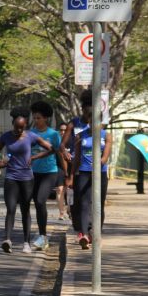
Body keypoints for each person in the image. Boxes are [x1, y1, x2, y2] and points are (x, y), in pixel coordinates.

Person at [0, 107, 53, 254]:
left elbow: (50, 149)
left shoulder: (31, 136)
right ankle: (7, 240)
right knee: (11, 209)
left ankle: (26, 243)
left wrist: (34, 157)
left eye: (22, 127)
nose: (19, 130)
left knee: (25, 210)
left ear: (25, 125)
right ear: (13, 124)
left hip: (27, 179)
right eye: (17, 127)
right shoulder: (6, 137)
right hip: (11, 177)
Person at [68, 91, 112, 249]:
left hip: (100, 174)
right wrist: (71, 176)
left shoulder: (106, 136)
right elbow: (76, 158)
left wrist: (99, 162)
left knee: (98, 204)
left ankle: (96, 233)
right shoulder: (81, 136)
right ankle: (85, 235)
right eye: (91, 121)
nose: (93, 124)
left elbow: (105, 156)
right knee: (84, 204)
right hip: (84, 173)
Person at [29, 101, 62, 251]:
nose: (36, 120)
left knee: (41, 200)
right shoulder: (30, 134)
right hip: (32, 173)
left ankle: (43, 237)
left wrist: (67, 174)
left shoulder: (53, 134)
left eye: (39, 118)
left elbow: (59, 153)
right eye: (34, 118)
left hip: (50, 172)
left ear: (46, 118)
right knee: (37, 203)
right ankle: (42, 235)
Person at [59, 91, 93, 234]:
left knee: (89, 199)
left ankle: (88, 228)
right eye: (86, 111)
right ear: (82, 109)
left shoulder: (97, 125)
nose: (87, 115)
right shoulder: (74, 123)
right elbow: (62, 145)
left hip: (91, 166)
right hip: (75, 167)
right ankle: (78, 226)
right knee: (75, 198)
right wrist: (65, 153)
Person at [55, 123, 68, 220]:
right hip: (59, 168)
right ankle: (61, 213)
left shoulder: (72, 141)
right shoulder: (56, 142)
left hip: (71, 168)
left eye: (65, 130)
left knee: (70, 190)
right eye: (61, 130)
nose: (63, 132)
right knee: (60, 190)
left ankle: (70, 209)